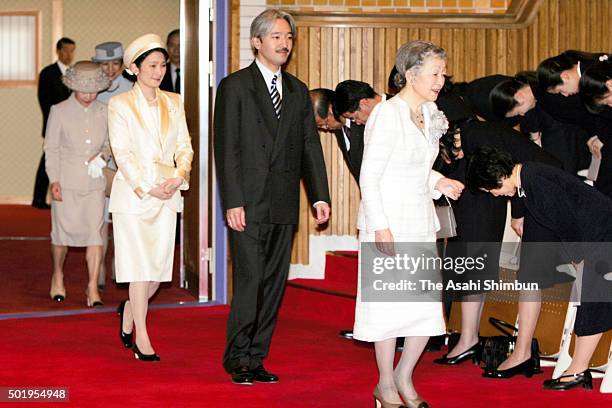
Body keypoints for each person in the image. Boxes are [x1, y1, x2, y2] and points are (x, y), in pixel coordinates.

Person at [214, 9, 331, 385]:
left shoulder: (297, 90)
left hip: (283, 202)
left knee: (274, 283)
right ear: (257, 42)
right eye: (277, 36)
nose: (285, 43)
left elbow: (310, 148)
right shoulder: (234, 87)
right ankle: (238, 359)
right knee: (250, 279)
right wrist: (232, 200)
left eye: (289, 37)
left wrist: (318, 196)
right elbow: (226, 148)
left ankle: (257, 356)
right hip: (246, 203)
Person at [355, 40, 463, 407]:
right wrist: (380, 225)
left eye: (443, 74)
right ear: (411, 74)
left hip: (419, 219)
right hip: (388, 220)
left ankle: (405, 374)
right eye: (435, 73)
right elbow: (370, 175)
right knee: (388, 306)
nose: (440, 81)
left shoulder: (431, 112)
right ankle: (385, 383)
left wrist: (438, 181)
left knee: (422, 307)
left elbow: (415, 165)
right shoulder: (388, 113)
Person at [466, 146, 612, 391]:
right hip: (598, 234)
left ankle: (578, 370)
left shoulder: (537, 185)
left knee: (594, 299)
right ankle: (578, 369)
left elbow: (569, 227)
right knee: (591, 298)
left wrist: (581, 263)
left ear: (499, 176)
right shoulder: (529, 180)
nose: (494, 195)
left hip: (603, 235)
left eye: (491, 189)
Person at [108, 34, 193, 362]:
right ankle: (141, 335)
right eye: (152, 65)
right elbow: (123, 154)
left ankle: (130, 309)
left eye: (162, 65)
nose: (159, 71)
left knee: (157, 272)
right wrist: (148, 186)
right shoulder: (120, 105)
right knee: (138, 269)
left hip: (168, 195)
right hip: (134, 197)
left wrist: (177, 177)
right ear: (134, 68)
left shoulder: (174, 100)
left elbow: (185, 146)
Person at [43, 61, 110, 306]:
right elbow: (51, 148)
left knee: (95, 235)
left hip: (94, 184)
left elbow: (110, 144)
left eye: (93, 91)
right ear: (73, 87)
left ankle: (92, 287)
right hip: (67, 182)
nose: (89, 96)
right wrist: (54, 180)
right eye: (84, 91)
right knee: (61, 235)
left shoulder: (105, 111)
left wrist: (102, 158)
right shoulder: (59, 111)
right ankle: (57, 274)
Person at [92, 41, 135, 290]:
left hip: (122, 164)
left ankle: (122, 267)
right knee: (97, 220)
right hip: (95, 164)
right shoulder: (88, 88)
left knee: (120, 219)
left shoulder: (132, 90)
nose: (109, 69)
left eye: (115, 63)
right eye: (104, 64)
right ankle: (97, 269)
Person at [34, 37, 76, 209]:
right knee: (48, 161)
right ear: (58, 51)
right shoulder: (48, 73)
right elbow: (44, 102)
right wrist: (56, 123)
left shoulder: (74, 73)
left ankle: (67, 195)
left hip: (74, 127)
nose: (69, 54)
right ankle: (38, 198)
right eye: (66, 50)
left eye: (72, 50)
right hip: (55, 124)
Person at [309, 88, 363, 184]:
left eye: (324, 124)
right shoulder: (339, 130)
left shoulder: (362, 120)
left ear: (331, 109)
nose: (325, 129)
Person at [160, 29, 180, 93]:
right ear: (167, 47)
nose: (176, 50)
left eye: (180, 45)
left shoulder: (195, 72)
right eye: (172, 45)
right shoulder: (160, 72)